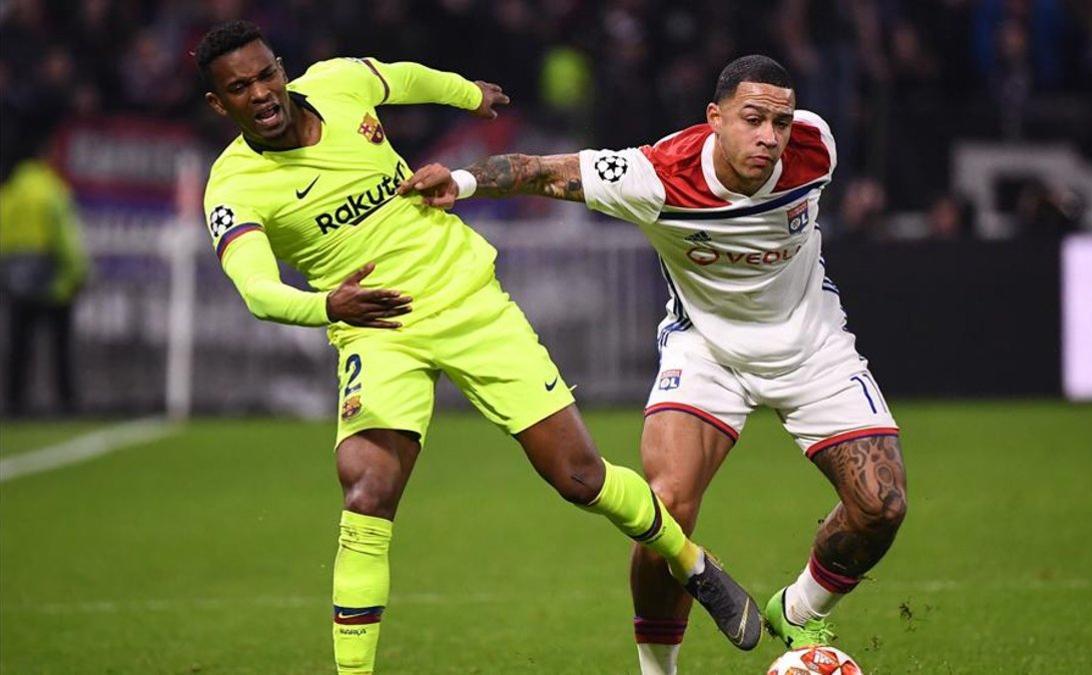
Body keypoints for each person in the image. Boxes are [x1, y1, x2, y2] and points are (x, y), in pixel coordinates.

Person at [194, 20, 760, 675]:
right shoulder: (233, 187)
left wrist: (466, 94)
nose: (262, 93)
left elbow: (404, 77)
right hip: (377, 330)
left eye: (267, 74)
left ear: (281, 67)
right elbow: (258, 291)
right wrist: (330, 305)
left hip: (468, 300)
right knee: (367, 491)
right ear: (219, 104)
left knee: (579, 477)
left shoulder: (339, 85)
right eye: (240, 88)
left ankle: (693, 563)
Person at [404, 55, 908, 675]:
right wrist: (464, 181)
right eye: (753, 119)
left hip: (812, 344)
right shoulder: (657, 174)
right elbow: (539, 171)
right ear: (715, 118)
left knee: (881, 506)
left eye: (779, 121)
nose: (769, 137)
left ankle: (797, 612)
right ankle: (657, 671)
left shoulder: (815, 147)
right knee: (664, 511)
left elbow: (802, 148)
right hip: (707, 352)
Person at [0, 138, 89, 416]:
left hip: (16, 279)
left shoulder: (11, 191)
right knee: (60, 346)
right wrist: (77, 273)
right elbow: (66, 238)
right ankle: (66, 402)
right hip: (53, 280)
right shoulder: (52, 191)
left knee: (19, 345)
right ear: (47, 157)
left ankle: (14, 401)